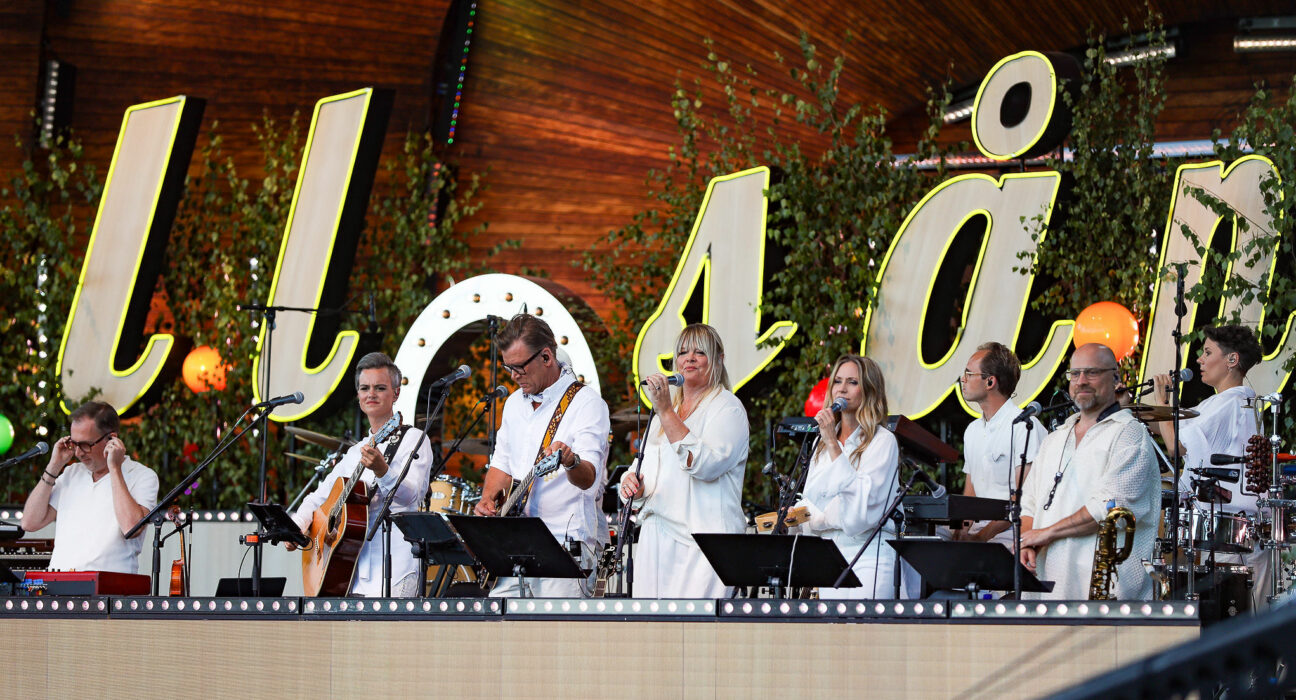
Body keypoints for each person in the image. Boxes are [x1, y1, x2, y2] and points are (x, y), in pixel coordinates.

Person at [473, 313, 610, 597]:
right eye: (508, 367)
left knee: (558, 639)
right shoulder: (513, 404)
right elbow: (501, 465)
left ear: (547, 357)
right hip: (515, 544)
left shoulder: (587, 403)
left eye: (519, 367)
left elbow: (589, 480)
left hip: (565, 547)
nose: (513, 376)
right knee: (499, 630)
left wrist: (571, 462)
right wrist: (488, 499)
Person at [618, 324, 749, 598]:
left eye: (700, 352)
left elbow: (704, 465)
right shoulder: (668, 412)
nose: (689, 358)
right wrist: (633, 485)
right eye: (683, 352)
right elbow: (644, 467)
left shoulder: (728, 408)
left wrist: (665, 410)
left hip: (703, 547)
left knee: (699, 635)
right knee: (653, 634)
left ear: (718, 358)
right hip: (657, 541)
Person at [1020, 343, 1159, 600]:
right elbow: (1029, 503)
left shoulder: (1129, 433)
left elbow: (1109, 508)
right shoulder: (1054, 438)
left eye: (1092, 373)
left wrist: (1045, 534)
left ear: (1116, 378)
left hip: (1103, 590)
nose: (1081, 381)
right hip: (1046, 585)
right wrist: (1028, 542)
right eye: (1075, 373)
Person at [288, 352, 433, 597]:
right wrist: (297, 526)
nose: (371, 394)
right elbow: (318, 497)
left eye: (380, 388)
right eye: (364, 388)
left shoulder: (414, 438)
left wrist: (382, 471)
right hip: (352, 571)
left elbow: (411, 496)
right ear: (358, 395)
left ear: (396, 393)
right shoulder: (356, 451)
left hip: (396, 569)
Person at [1150, 324, 1267, 607]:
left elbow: (1176, 445)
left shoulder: (1230, 403)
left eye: (1207, 352)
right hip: (1237, 531)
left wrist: (1162, 402)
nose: (1200, 360)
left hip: (1232, 533)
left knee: (1232, 619)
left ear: (1231, 360)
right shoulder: (1230, 402)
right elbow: (1174, 428)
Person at [794, 354, 900, 599]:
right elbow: (811, 500)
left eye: (852, 382)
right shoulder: (819, 444)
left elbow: (859, 516)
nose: (842, 388)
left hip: (868, 555)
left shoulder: (883, 441)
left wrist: (832, 441)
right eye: (838, 381)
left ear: (870, 390)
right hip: (830, 555)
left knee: (865, 634)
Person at [21, 401, 159, 574]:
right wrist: (53, 467)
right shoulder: (71, 473)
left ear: (112, 439)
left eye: (85, 445)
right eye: (74, 443)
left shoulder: (142, 475)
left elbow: (131, 528)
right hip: (59, 586)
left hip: (110, 590)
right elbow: (29, 522)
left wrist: (114, 468)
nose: (78, 453)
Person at [952, 342, 1045, 548]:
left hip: (1012, 530)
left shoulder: (1025, 426)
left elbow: (1025, 497)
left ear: (990, 381)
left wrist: (983, 536)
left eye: (969, 373)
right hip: (980, 527)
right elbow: (971, 490)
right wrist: (962, 528)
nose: (963, 379)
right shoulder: (972, 430)